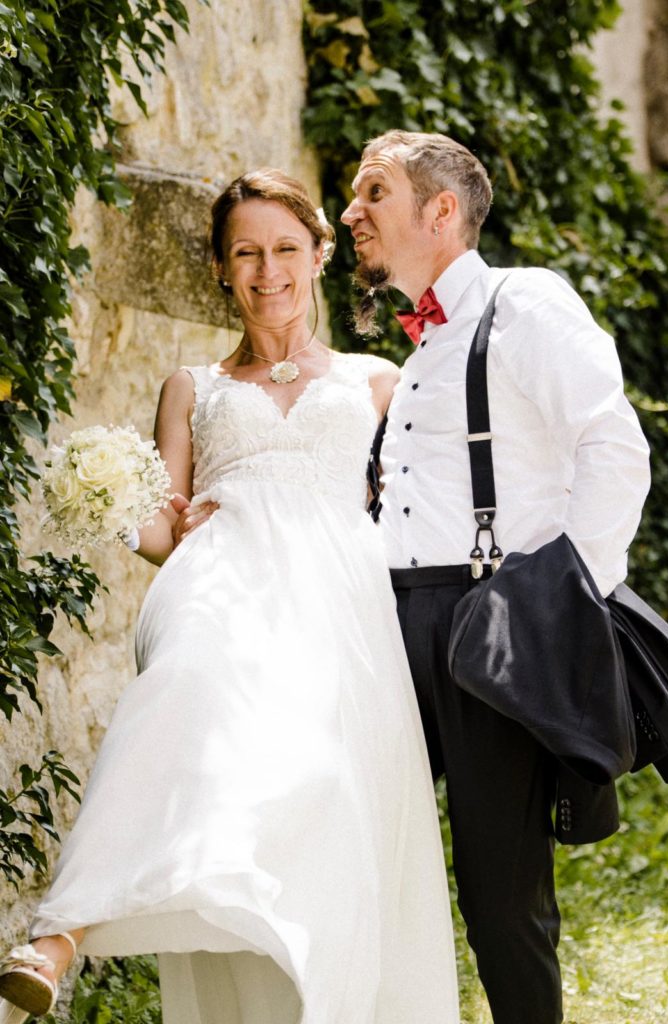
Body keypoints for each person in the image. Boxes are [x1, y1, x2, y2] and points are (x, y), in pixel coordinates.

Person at [0, 168, 461, 1024]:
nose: (267, 270)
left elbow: (413, 514)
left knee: (326, 792)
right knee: (179, 690)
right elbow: (161, 529)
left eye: (285, 248)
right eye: (245, 253)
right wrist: (108, 496)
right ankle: (56, 938)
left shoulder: (378, 382)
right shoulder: (192, 385)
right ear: (219, 266)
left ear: (320, 253)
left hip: (337, 600)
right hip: (219, 573)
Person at [340, 130, 651, 1024]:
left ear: (441, 211)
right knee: (363, 853)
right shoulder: (418, 350)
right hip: (391, 622)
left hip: (490, 618)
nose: (351, 212)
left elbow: (614, 449)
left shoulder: (526, 303)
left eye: (374, 192)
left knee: (500, 890)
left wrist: (560, 604)